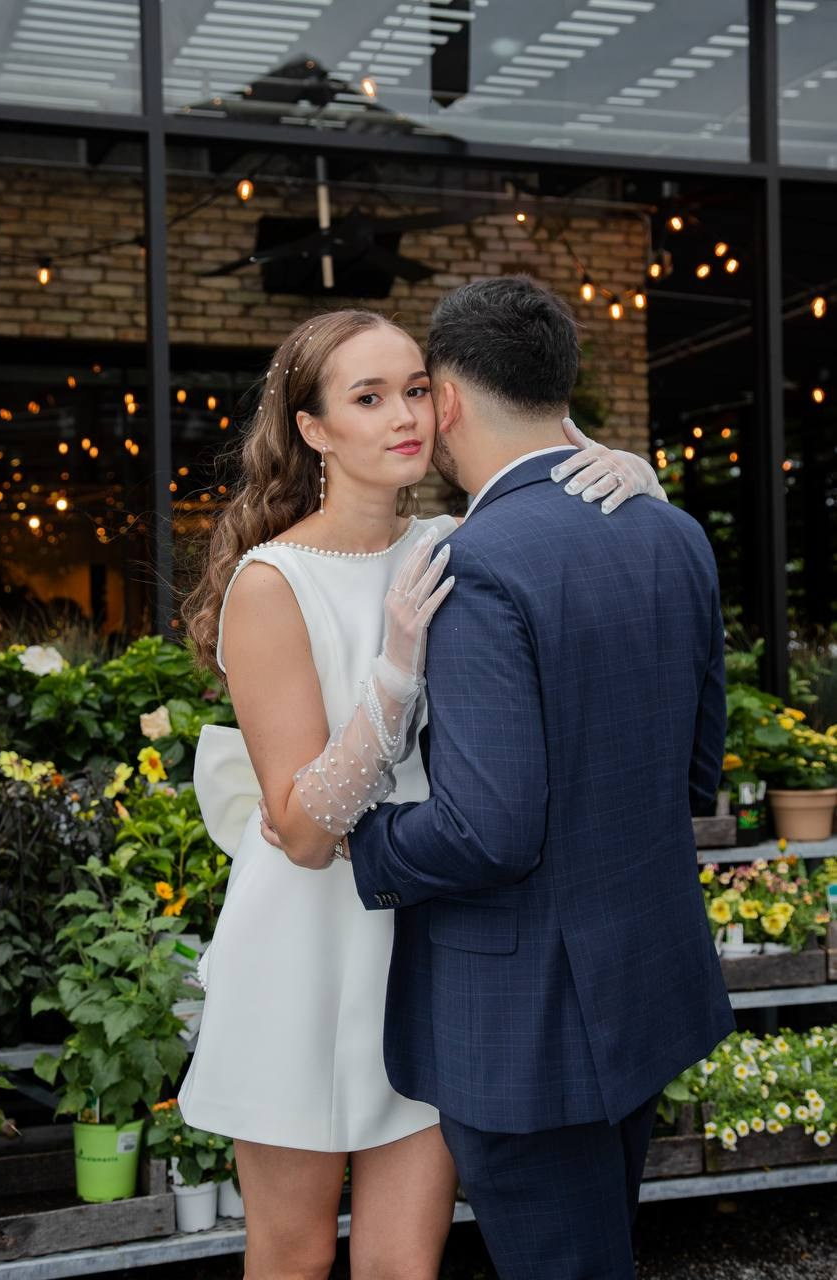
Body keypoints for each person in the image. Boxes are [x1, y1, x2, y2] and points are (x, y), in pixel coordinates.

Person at [180, 302, 666, 1280]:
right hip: (304, 949)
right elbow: (301, 831)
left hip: (435, 948)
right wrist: (395, 677)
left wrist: (631, 479)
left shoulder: (460, 540)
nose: (405, 416)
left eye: (413, 389)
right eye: (368, 397)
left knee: (406, 1262)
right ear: (314, 428)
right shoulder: (273, 583)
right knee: (294, 1254)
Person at [295, 278, 734, 1280]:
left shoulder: (477, 561)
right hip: (640, 986)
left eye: (420, 392)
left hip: (526, 1027)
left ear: (448, 400)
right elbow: (695, 774)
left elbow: (487, 830)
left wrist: (363, 837)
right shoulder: (671, 530)